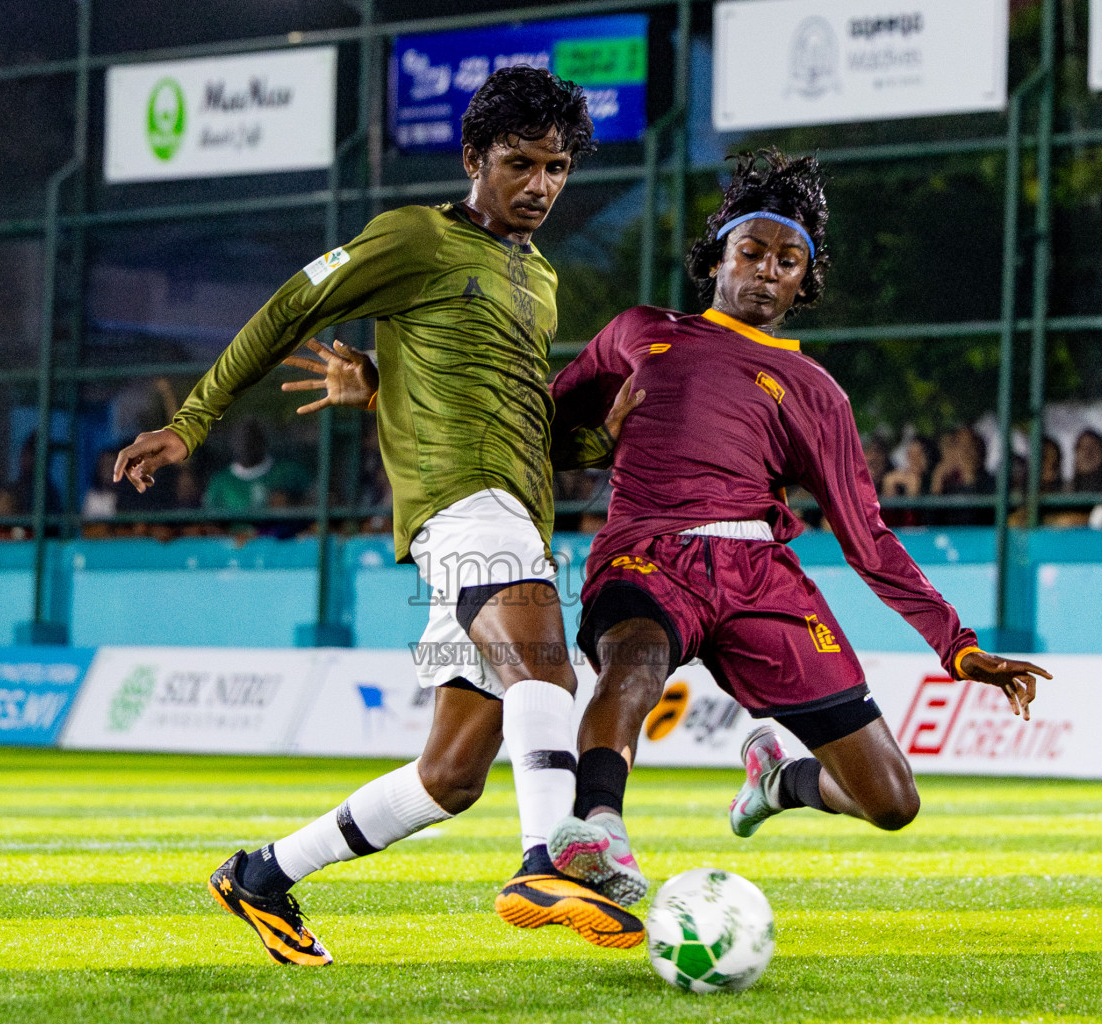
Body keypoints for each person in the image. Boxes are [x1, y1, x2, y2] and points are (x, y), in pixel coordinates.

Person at [112, 67, 644, 963]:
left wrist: (604, 441)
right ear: (474, 158)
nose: (541, 185)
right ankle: (547, 861)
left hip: (511, 513)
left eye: (557, 168)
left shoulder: (539, 275)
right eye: (520, 163)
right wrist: (193, 420)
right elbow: (293, 307)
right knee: (547, 676)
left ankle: (262, 875)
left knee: (450, 777)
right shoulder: (416, 239)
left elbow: (512, 415)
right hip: (463, 512)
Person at [540, 150, 1050, 905]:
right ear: (718, 257)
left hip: (759, 577)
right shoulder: (638, 332)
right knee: (634, 664)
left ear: (803, 283)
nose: (767, 270)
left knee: (891, 800)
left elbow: (868, 538)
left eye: (788, 260)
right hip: (649, 552)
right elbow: (543, 424)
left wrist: (958, 645)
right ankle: (598, 827)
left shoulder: (816, 393)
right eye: (752, 252)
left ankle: (781, 781)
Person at [880, 434, 936, 527]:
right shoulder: (900, 480)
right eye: (911, 456)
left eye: (918, 455)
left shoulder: (933, 479)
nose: (914, 461)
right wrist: (889, 485)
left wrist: (913, 490)